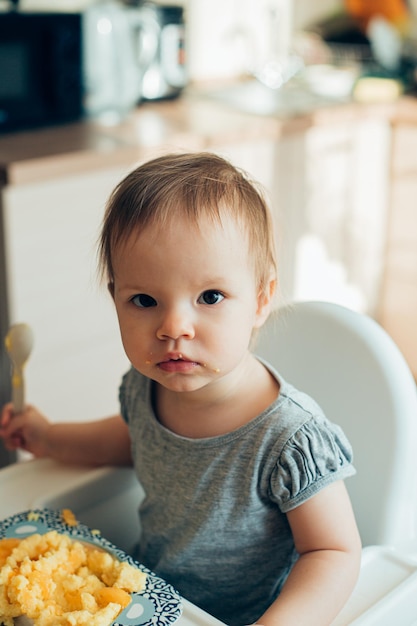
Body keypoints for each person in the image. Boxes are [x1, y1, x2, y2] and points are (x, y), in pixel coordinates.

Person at [0, 152, 361, 626]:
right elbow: (131, 440)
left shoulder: (290, 438)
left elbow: (333, 551)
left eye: (210, 297)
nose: (173, 327)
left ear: (261, 299)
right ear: (115, 300)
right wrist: (49, 437)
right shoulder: (145, 388)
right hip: (149, 597)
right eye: (144, 300)